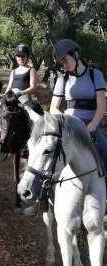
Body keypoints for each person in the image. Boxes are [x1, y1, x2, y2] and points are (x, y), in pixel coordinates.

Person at [50, 38, 107, 173]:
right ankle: (45, 189)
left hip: (90, 126)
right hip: (69, 124)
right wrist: (66, 121)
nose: (64, 66)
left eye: (65, 60)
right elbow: (53, 108)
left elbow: (101, 105)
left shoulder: (95, 75)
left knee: (105, 152)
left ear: (75, 54)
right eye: (61, 63)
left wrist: (93, 124)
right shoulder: (62, 79)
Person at [0, 44, 42, 149]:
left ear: (27, 57)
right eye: (18, 56)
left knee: (35, 120)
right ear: (16, 57)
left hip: (24, 98)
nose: (21, 58)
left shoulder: (31, 70)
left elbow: (33, 87)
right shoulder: (14, 71)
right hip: (11, 97)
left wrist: (21, 93)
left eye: (23, 56)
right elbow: (9, 86)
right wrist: (4, 96)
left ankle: (30, 142)